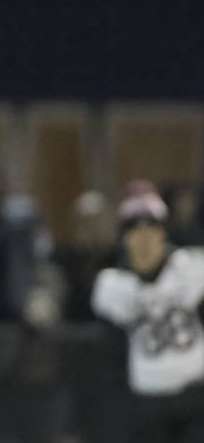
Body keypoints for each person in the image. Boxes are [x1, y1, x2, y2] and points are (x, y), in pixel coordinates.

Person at [92, 183, 204, 443]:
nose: (144, 238)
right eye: (135, 231)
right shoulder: (113, 285)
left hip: (195, 398)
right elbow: (110, 355)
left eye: (151, 229)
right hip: (145, 404)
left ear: (163, 233)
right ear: (124, 238)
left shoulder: (192, 270)